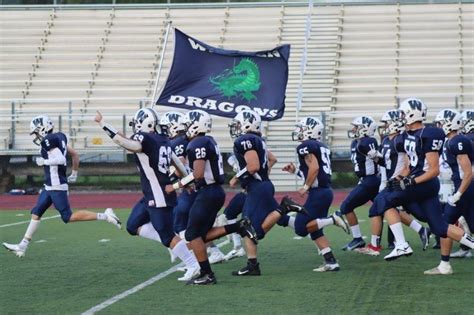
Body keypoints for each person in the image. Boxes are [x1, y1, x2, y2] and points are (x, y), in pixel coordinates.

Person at [95, 108, 200, 282]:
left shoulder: (146, 139)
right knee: (132, 225)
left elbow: (128, 144)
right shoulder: (163, 140)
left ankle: (193, 264)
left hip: (158, 196)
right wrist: (187, 182)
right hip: (151, 194)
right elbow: (179, 166)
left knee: (167, 236)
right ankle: (175, 246)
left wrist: (102, 124)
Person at [373, 98, 474, 270]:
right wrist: (397, 179)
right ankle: (446, 264)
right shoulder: (405, 136)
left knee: (383, 200)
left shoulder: (428, 134)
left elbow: (434, 170)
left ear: (413, 114)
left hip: (424, 183)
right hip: (419, 182)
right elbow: (407, 166)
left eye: (404, 114)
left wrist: (411, 181)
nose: (401, 118)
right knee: (440, 227)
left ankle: (402, 244)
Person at [3, 115, 121, 258]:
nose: (36, 136)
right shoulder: (60, 136)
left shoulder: (48, 140)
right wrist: (74, 173)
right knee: (37, 212)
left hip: (56, 184)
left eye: (36, 132)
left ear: (43, 128)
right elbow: (74, 154)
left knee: (68, 217)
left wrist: (44, 162)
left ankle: (105, 216)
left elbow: (59, 159)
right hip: (50, 184)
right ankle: (22, 246)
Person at [165, 109, 257, 285]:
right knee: (203, 235)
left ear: (195, 124)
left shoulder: (197, 143)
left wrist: (175, 186)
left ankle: (207, 274)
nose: (185, 128)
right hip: (213, 191)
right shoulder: (207, 140)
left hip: (208, 192)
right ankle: (239, 227)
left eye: (187, 124)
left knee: (192, 234)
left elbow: (198, 174)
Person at [228, 109, 308, 276]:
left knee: (250, 229)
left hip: (258, 188)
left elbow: (253, 166)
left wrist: (237, 177)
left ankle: (283, 208)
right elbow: (272, 159)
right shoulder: (257, 139)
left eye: (238, 123)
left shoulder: (246, 139)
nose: (235, 126)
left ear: (247, 123)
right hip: (262, 185)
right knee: (252, 228)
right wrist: (263, 176)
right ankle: (252, 264)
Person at [357, 110, 430, 256]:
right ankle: (418, 232)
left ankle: (394, 243)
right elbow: (387, 163)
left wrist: (401, 178)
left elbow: (410, 161)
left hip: (401, 182)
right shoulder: (386, 140)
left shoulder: (401, 140)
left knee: (422, 213)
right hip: (391, 182)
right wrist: (375, 158)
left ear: (396, 123)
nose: (384, 126)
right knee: (379, 208)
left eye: (387, 123)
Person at [281, 116, 350, 271]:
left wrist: (305, 187)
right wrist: (296, 171)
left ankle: (333, 219)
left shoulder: (306, 145)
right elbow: (315, 172)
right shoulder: (320, 146)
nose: (299, 131)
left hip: (318, 193)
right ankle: (331, 261)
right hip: (324, 192)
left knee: (301, 228)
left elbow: (315, 169)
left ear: (310, 131)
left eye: (302, 128)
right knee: (315, 229)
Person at [431, 109, 473, 271]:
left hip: (465, 188)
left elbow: (468, 172)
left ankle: (444, 265)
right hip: (464, 188)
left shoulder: (457, 141)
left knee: (444, 224)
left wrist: (458, 194)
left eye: (440, 123)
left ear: (449, 124)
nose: (439, 126)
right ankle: (445, 264)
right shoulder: (451, 141)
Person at [338, 116, 381, 250]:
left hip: (370, 181)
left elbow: (378, 159)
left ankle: (357, 239)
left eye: (356, 127)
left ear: (364, 129)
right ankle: (420, 229)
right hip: (367, 180)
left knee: (346, 207)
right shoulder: (356, 142)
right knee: (386, 208)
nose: (353, 129)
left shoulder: (368, 141)